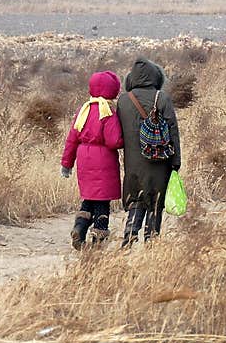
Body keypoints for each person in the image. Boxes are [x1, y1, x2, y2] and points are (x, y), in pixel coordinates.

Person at [117, 57, 181, 247]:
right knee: (155, 200)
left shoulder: (123, 100)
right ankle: (151, 241)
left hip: (133, 162)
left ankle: (129, 234)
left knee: (136, 197)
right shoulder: (162, 98)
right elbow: (172, 130)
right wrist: (176, 160)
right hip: (159, 160)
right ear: (156, 76)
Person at [60, 70, 124, 249]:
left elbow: (72, 138)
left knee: (89, 198)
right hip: (103, 160)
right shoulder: (108, 112)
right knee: (102, 202)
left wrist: (66, 164)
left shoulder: (83, 110)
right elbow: (114, 141)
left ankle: (79, 228)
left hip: (83, 159)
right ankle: (98, 241)